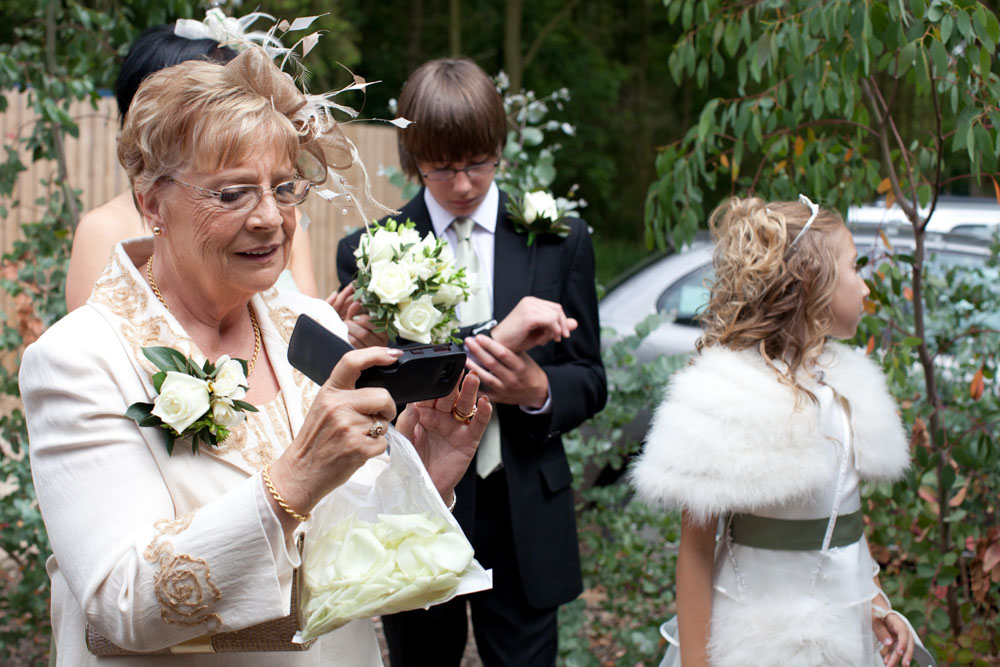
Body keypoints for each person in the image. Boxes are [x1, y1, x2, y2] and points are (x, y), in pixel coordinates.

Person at [20, 46, 492, 666]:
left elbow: (344, 560)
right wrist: (290, 481)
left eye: (284, 187)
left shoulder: (314, 325)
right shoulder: (79, 359)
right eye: (233, 193)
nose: (271, 218)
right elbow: (119, 603)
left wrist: (420, 475)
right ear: (152, 202)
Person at [335, 58, 606, 666]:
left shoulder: (560, 241)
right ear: (413, 160)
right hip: (422, 499)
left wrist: (538, 388)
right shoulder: (368, 253)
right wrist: (495, 343)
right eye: (442, 167)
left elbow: (591, 379)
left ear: (499, 149)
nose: (463, 183)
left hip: (524, 512)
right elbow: (373, 388)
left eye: (478, 162)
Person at [631, 196, 918, 666]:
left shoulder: (849, 390)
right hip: (750, 640)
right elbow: (697, 552)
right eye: (854, 268)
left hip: (842, 639)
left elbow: (842, 531)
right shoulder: (725, 395)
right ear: (814, 283)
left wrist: (876, 605)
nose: (866, 287)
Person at [65, 19, 319, 311]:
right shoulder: (103, 228)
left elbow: (305, 323)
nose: (269, 217)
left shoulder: (282, 216)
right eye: (232, 194)